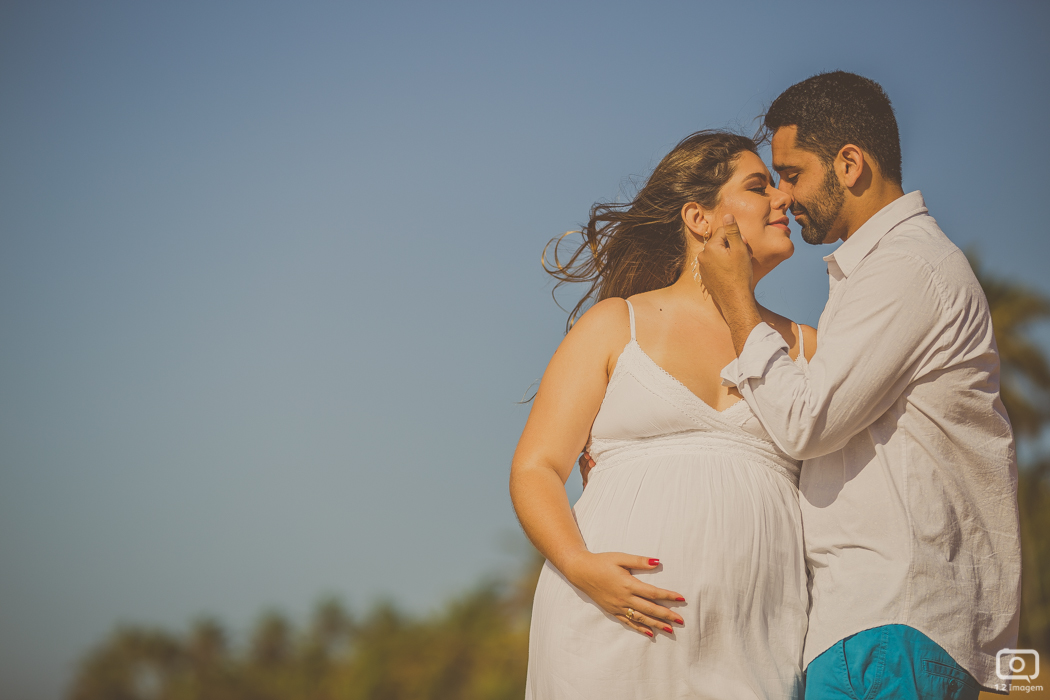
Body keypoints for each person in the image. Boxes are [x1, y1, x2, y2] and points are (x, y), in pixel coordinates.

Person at [696, 72, 1021, 699]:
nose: (783, 197)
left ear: (849, 164)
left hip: (893, 621)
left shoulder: (907, 267)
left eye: (791, 174)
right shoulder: (882, 270)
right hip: (871, 627)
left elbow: (806, 421)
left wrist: (737, 301)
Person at [510, 130, 816, 699]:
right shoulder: (614, 324)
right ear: (699, 217)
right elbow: (537, 467)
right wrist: (579, 566)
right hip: (610, 630)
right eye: (758, 186)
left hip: (757, 647)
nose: (785, 200)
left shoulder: (808, 347)